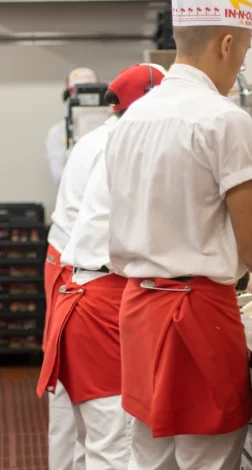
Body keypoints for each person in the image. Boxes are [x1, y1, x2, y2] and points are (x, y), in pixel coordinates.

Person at [102, 0, 252, 467]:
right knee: (206, 460)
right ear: (227, 44)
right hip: (197, 318)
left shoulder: (131, 121)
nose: (240, 65)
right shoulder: (223, 118)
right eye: (244, 52)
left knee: (148, 458)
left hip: (139, 311)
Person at [38, 64, 166, 470]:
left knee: (87, 429)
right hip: (96, 291)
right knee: (113, 439)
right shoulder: (129, 147)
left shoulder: (106, 138)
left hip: (78, 282)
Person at [43, 67, 104, 470]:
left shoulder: (111, 136)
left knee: (89, 394)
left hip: (83, 264)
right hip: (68, 264)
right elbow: (62, 177)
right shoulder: (64, 136)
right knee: (66, 385)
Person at [45, 67, 98, 186]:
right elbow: (59, 177)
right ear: (68, 96)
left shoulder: (113, 127)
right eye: (79, 91)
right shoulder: (57, 132)